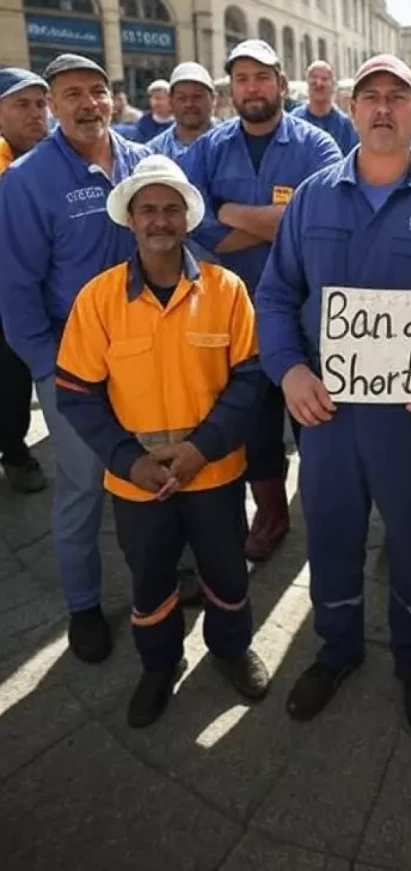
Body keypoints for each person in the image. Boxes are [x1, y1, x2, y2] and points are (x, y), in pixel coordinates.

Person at [255, 54, 411, 739]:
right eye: (371, 96)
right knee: (329, 537)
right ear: (352, 109)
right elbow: (275, 295)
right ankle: (338, 648)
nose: (384, 108)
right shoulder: (314, 198)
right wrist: (289, 371)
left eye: (398, 96)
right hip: (327, 415)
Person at [55, 156, 270, 727]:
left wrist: (203, 448)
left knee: (226, 569)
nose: (159, 220)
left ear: (187, 219)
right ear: (130, 220)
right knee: (149, 579)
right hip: (137, 483)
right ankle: (160, 663)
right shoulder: (98, 300)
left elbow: (250, 378)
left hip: (215, 474)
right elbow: (76, 392)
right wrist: (128, 460)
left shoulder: (227, 289)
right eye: (147, 209)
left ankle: (230, 648)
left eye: (171, 208)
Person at [0, 54, 148, 663]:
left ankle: (171, 574)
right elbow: (15, 290)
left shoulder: (143, 163)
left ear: (112, 97)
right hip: (74, 370)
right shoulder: (28, 180)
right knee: (83, 490)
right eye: (71, 95)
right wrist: (48, 371)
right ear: (53, 107)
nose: (88, 104)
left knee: (157, 474)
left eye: (97, 91)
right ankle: (84, 605)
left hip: (149, 358)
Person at [182, 39, 341, 561]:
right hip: (234, 314)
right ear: (232, 89)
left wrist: (228, 210)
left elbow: (317, 222)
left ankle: (328, 512)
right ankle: (271, 516)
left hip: (304, 314)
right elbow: (194, 223)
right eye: (242, 78)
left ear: (280, 81)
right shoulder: (209, 148)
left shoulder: (317, 148)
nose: (252, 87)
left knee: (315, 420)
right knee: (254, 427)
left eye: (262, 77)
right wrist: (272, 224)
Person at [0, 68, 50, 494]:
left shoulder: (57, 158)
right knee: (10, 377)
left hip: (45, 292)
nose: (36, 114)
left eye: (41, 104)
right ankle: (14, 453)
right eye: (22, 104)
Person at [148, 63, 217, 163]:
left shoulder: (232, 143)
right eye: (182, 98)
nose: (189, 104)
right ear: (170, 101)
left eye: (197, 97)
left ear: (213, 99)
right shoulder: (154, 153)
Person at [291, 60, 358, 155]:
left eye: (324, 79)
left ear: (333, 85)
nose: (319, 83)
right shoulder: (293, 122)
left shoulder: (345, 126)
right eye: (314, 78)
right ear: (307, 83)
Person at [136, 79, 173, 143]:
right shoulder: (144, 122)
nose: (156, 102)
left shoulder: (178, 123)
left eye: (160, 98)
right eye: (153, 98)